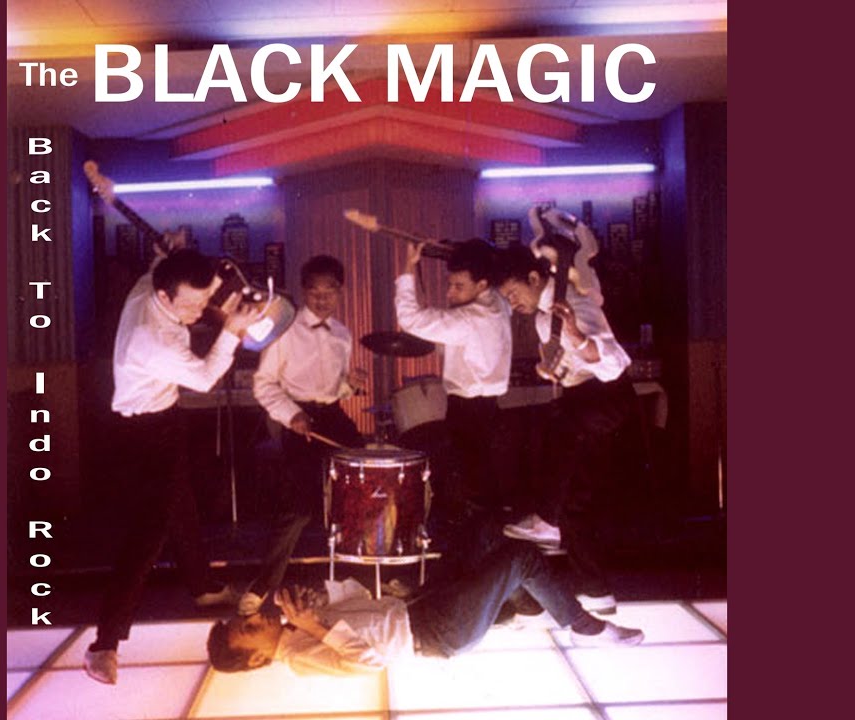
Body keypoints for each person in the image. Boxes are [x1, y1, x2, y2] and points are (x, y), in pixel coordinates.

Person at [84, 242, 263, 685]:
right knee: (149, 535)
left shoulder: (150, 284)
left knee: (180, 503)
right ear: (165, 297)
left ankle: (202, 586)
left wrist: (179, 260)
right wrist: (232, 330)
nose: (200, 312)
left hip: (163, 417)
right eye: (192, 304)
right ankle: (104, 644)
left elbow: (161, 267)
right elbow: (203, 378)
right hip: (142, 433)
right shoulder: (153, 339)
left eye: (204, 301)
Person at [205, 540, 643, 676]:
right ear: (257, 658)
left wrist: (323, 601)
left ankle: (521, 609)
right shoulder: (300, 658)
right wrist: (316, 626)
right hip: (437, 631)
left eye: (246, 619)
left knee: (483, 533)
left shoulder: (295, 625)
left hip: (419, 606)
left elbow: (363, 601)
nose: (256, 618)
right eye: (250, 630)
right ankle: (585, 627)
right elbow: (370, 664)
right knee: (519, 558)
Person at [495, 219, 637, 616]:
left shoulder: (576, 302)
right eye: (506, 298)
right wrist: (551, 370)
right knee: (575, 499)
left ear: (533, 277)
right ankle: (596, 593)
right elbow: (565, 368)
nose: (513, 303)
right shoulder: (543, 319)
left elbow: (613, 363)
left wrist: (576, 336)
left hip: (605, 398)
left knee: (560, 430)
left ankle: (546, 519)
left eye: (514, 293)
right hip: (581, 399)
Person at [245, 255, 367, 614]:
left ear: (341, 292)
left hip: (332, 415)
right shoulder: (284, 330)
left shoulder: (342, 333)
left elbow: (336, 389)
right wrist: (292, 415)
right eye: (315, 293)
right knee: (298, 508)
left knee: (365, 483)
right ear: (304, 292)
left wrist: (350, 385)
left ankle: (361, 574)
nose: (322, 299)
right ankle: (263, 585)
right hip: (297, 416)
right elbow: (263, 385)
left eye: (330, 292)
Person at [393, 239, 512, 517]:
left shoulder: (469, 318)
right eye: (450, 284)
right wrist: (456, 252)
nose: (450, 293)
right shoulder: (498, 302)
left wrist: (409, 267)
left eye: (458, 286)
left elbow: (409, 319)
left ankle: (475, 532)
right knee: (481, 478)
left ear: (481, 284)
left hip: (467, 409)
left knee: (470, 484)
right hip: (489, 407)